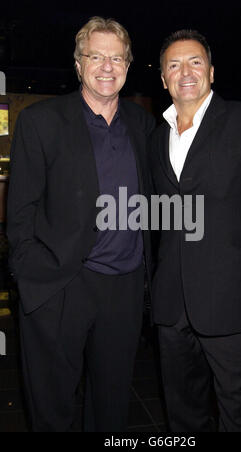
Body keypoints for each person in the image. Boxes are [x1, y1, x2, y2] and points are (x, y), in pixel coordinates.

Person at [7, 16, 155, 432]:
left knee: (111, 407)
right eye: (96, 56)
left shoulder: (144, 126)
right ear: (78, 64)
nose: (107, 66)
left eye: (116, 58)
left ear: (127, 65)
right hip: (62, 285)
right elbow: (20, 213)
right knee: (51, 408)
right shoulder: (41, 122)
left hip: (124, 289)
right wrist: (32, 276)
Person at [150, 30, 241, 432]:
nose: (185, 72)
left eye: (195, 62)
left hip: (234, 301)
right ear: (163, 78)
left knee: (238, 412)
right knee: (182, 414)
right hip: (170, 306)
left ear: (211, 72)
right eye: (174, 64)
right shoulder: (155, 135)